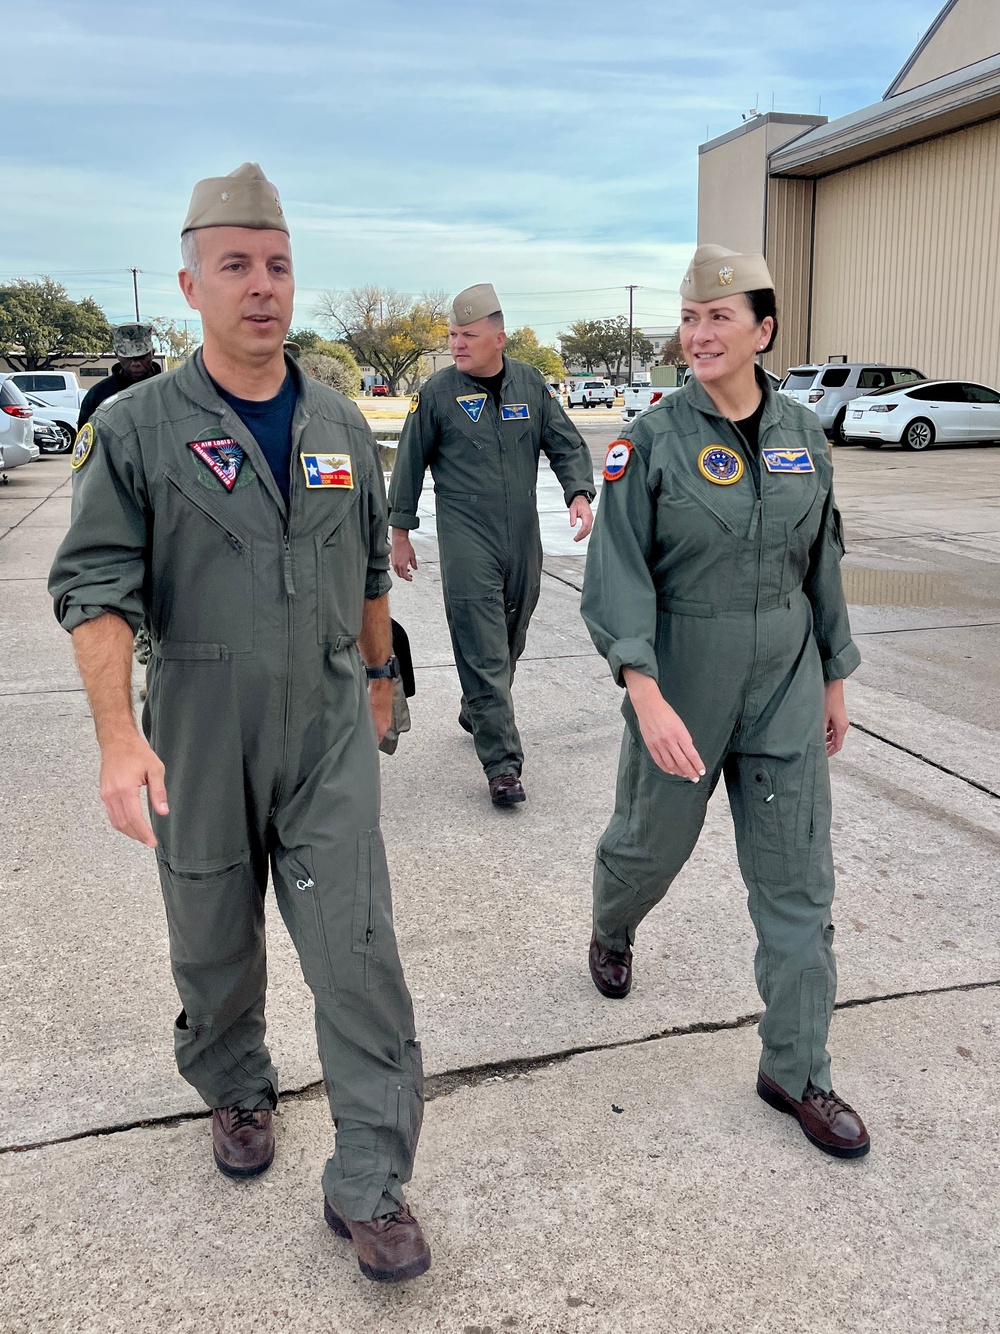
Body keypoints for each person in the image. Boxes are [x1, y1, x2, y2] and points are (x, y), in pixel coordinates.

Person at [49, 162, 431, 1282]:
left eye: (276, 264)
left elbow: (370, 564)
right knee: (213, 945)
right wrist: (121, 738)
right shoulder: (139, 429)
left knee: (357, 951)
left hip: (321, 720)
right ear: (190, 284)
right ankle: (235, 1085)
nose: (260, 286)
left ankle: (370, 1180)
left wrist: (377, 677)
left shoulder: (337, 419)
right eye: (235, 266)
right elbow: (96, 590)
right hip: (199, 725)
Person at [581, 244, 870, 1160]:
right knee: (647, 848)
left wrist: (832, 677)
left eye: (719, 317)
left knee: (798, 887)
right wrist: (644, 691)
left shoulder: (802, 436)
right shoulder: (652, 439)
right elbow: (617, 573)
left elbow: (819, 560)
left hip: (785, 678)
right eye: (690, 316)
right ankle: (611, 921)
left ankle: (796, 1068)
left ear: (763, 329)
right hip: (683, 678)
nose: (699, 332)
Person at [389, 283, 596, 807]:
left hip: (523, 536)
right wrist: (400, 533)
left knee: (510, 635)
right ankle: (502, 765)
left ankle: (477, 706)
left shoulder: (531, 385)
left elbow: (566, 442)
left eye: (469, 335)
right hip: (466, 537)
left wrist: (578, 492)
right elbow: (409, 465)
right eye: (454, 334)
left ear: (499, 338)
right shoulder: (436, 395)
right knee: (481, 643)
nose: (457, 344)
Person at [77, 323, 161, 429]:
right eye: (128, 358)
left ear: (152, 354)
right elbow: (86, 436)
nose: (136, 363)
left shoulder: (168, 389)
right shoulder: (98, 394)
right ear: (117, 355)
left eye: (142, 357)